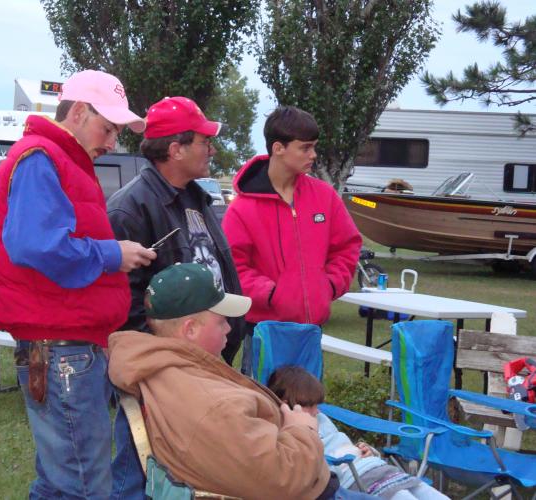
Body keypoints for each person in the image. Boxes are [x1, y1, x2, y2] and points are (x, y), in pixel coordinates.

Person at [0, 70, 156, 499]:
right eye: (108, 127)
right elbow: (37, 246)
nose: (112, 141)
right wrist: (114, 254)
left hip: (65, 349)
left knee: (61, 480)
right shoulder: (42, 158)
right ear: (78, 111)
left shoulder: (57, 160)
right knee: (83, 482)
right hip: (63, 353)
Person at [108, 263, 374, 500]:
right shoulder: (208, 403)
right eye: (222, 321)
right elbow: (280, 479)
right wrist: (302, 429)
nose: (229, 329)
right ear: (189, 329)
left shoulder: (168, 366)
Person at [106, 97, 246, 498]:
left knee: (186, 468)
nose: (212, 149)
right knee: (140, 465)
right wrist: (159, 368)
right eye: (205, 140)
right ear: (176, 149)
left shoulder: (196, 198)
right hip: (164, 372)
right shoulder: (129, 210)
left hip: (202, 359)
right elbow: (124, 305)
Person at [222, 105, 362, 327]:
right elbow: (232, 266)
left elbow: (347, 247)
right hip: (261, 330)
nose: (313, 155)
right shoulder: (242, 209)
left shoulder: (324, 196)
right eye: (305, 148)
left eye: (314, 147)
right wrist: (271, 294)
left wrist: (329, 285)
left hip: (312, 331)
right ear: (278, 148)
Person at [267, 366, 450, 500]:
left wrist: (367, 450)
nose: (317, 411)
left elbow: (339, 444)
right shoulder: (286, 432)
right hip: (354, 480)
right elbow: (309, 469)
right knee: (403, 497)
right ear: (286, 402)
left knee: (432, 495)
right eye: (310, 405)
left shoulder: (320, 419)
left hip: (377, 468)